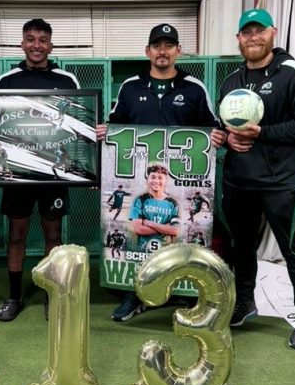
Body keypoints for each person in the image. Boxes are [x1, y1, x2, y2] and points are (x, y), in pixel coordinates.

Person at [96, 23, 227, 322]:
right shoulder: (130, 87)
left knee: (178, 235)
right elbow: (115, 126)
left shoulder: (194, 88)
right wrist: (106, 132)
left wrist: (217, 135)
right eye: (157, 45)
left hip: (179, 184)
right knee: (137, 239)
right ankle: (135, 293)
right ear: (148, 51)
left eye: (169, 45)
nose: (163, 51)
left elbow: (212, 127)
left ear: (178, 51)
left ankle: (182, 289)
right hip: (142, 179)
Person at [219, 9, 295, 350]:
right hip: (239, 181)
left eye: (259, 31)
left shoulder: (293, 72)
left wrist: (262, 132)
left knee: (293, 250)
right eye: (246, 32)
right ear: (238, 38)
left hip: (280, 183)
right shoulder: (231, 81)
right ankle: (245, 302)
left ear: (273, 33)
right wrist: (228, 137)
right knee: (242, 247)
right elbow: (227, 127)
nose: (253, 37)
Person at [0, 18, 80, 322]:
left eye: (43, 40)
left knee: (52, 233)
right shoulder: (6, 80)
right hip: (18, 172)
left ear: (50, 45)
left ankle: (50, 295)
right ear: (22, 43)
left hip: (53, 173)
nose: (37, 45)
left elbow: (76, 126)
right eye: (30, 39)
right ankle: (14, 296)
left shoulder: (67, 80)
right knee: (16, 234)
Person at [129, 164, 180, 252]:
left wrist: (149, 223)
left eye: (160, 178)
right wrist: (165, 229)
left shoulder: (173, 203)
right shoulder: (140, 200)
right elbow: (138, 229)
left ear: (165, 181)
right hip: (143, 249)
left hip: (166, 250)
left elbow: (175, 231)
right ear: (148, 179)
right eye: (153, 177)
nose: (156, 180)